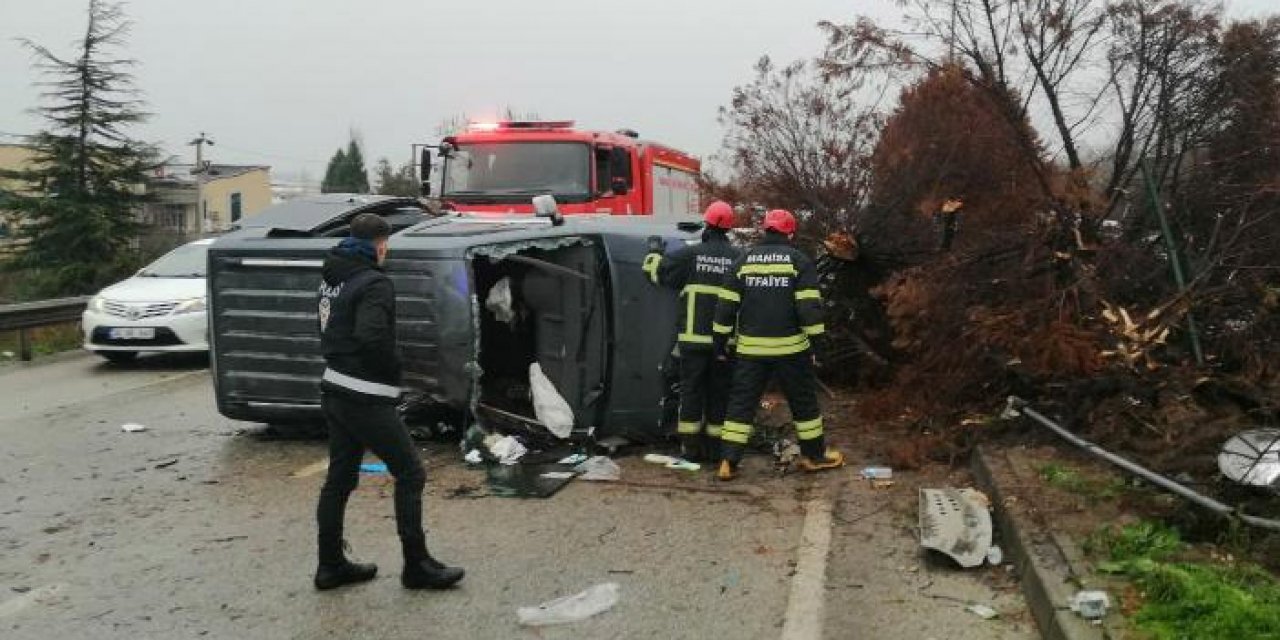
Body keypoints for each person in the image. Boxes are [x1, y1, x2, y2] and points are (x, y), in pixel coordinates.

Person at [313, 213, 464, 591]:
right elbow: (371, 336)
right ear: (381, 245)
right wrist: (393, 368)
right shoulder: (374, 282)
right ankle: (417, 566)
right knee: (411, 473)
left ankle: (330, 565)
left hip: (334, 387)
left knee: (339, 479)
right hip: (365, 395)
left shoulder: (333, 275)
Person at [711, 209, 845, 480]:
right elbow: (808, 308)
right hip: (791, 350)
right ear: (790, 233)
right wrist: (818, 345)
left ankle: (728, 461)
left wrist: (719, 343)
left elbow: (725, 306)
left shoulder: (744, 261)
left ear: (765, 230)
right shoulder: (798, 261)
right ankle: (814, 456)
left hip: (750, 351)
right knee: (804, 404)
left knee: (741, 404)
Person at [642, 201, 743, 461]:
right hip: (725, 343)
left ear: (707, 225)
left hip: (692, 341)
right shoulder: (738, 258)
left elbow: (656, 272)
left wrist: (654, 252)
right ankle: (716, 447)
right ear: (729, 229)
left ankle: (689, 447)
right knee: (719, 393)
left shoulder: (691, 255)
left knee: (692, 391)